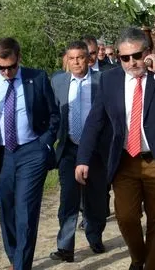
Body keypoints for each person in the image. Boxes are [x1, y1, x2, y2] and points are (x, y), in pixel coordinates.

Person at [75, 27, 155, 270]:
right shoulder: (110, 80)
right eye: (124, 58)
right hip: (125, 160)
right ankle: (138, 258)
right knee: (126, 217)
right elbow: (95, 121)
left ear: (147, 53)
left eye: (136, 56)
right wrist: (82, 158)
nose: (131, 63)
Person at [0, 37, 60, 270]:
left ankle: (22, 265)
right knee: (7, 210)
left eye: (11, 67)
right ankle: (14, 257)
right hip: (0, 155)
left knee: (26, 212)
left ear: (19, 58)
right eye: (1, 68)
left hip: (31, 152)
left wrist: (44, 145)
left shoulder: (37, 78)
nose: (7, 73)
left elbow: (54, 115)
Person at [49, 41, 110, 262]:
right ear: (67, 59)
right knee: (68, 199)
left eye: (80, 58)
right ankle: (65, 246)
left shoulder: (101, 81)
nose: (76, 62)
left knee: (96, 198)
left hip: (95, 151)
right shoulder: (58, 82)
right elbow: (54, 116)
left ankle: (95, 235)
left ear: (88, 59)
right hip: (69, 149)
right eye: (72, 58)